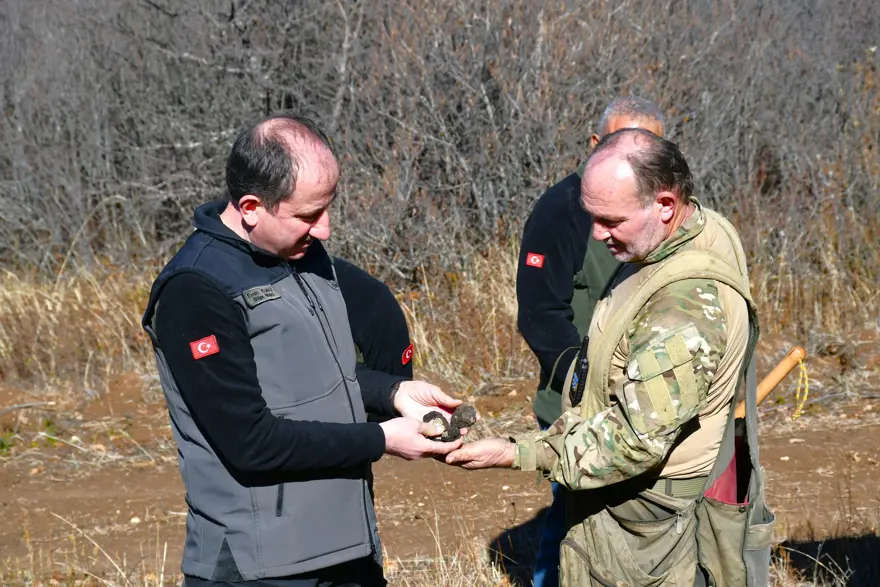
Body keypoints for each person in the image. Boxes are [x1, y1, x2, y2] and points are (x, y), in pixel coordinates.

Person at [141, 113, 468, 587]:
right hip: (261, 566)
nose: (325, 230)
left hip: (347, 549)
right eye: (309, 215)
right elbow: (250, 441)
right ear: (251, 207)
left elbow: (322, 379)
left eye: (328, 207)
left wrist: (394, 393)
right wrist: (382, 439)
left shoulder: (303, 255)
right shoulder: (196, 289)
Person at [450, 129, 774, 586]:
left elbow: (632, 440)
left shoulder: (683, 309)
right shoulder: (686, 233)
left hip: (650, 534)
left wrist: (518, 451)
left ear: (665, 205)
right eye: (592, 216)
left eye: (610, 220)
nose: (597, 234)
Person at [515, 96, 664, 587]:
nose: (635, 161)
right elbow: (540, 317)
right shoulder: (560, 212)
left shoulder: (665, 212)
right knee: (574, 515)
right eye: (621, 146)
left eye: (649, 151)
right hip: (579, 402)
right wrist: (587, 382)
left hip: (650, 398)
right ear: (595, 144)